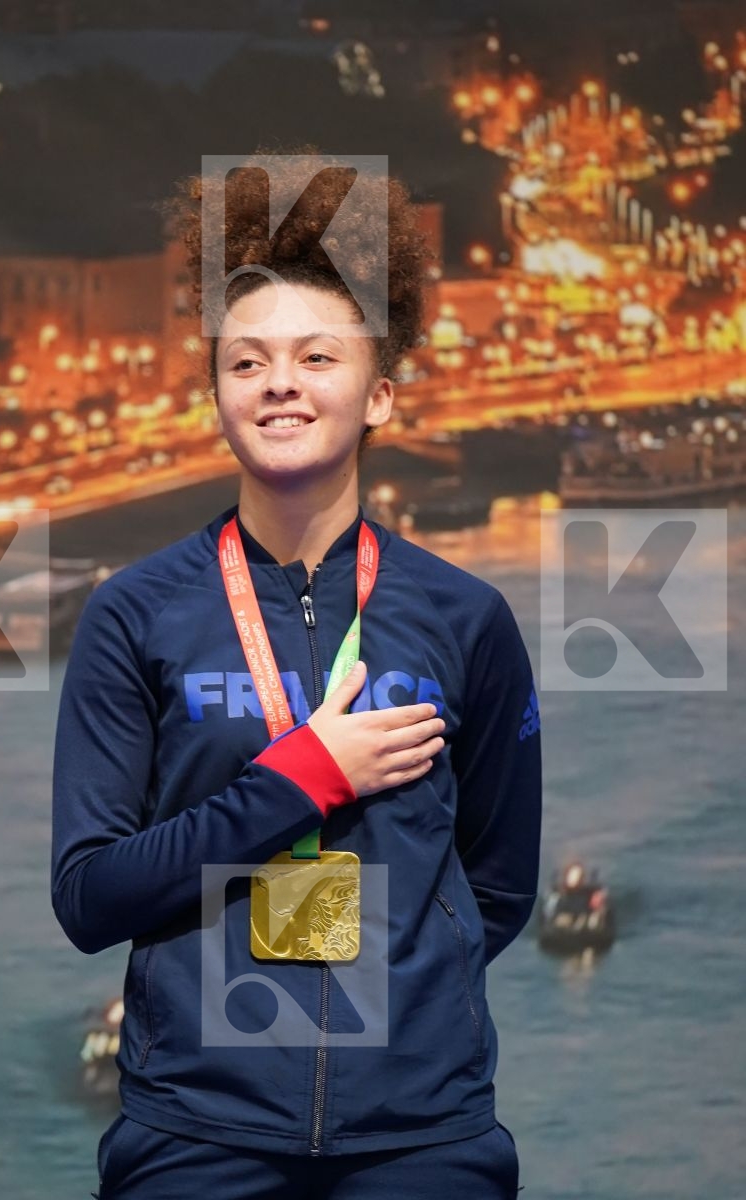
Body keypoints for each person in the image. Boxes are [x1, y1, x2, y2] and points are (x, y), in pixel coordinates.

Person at [51, 148, 542, 1199]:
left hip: (426, 1145)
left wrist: (411, 1010)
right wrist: (299, 780)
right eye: (247, 361)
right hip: (194, 1138)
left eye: (319, 357)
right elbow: (90, 895)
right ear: (218, 397)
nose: (280, 381)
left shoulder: (470, 619)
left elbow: (496, 889)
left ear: (381, 396)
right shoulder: (132, 615)